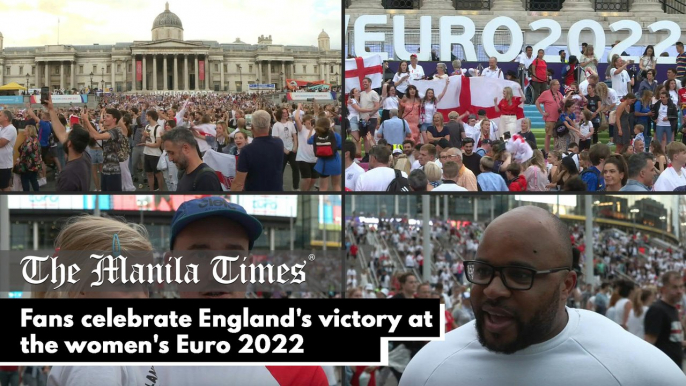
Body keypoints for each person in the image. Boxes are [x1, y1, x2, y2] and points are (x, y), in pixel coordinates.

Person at [399, 206, 686, 386]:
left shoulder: (642, 372)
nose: (493, 290)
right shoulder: (427, 370)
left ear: (566, 285)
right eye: (484, 270)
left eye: (520, 275)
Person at [232, 110, 284, 191]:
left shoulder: (247, 151)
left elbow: (238, 183)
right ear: (269, 126)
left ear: (252, 128)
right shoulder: (279, 143)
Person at [644, 271, 685, 369]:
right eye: (675, 287)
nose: (679, 291)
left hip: (675, 368)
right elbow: (648, 344)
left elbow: (670, 340)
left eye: (681, 287)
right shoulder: (657, 310)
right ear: (663, 289)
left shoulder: (673, 309)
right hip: (663, 370)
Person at [161, 128, 221, 192]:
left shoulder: (206, 179)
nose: (170, 159)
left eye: (172, 153)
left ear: (185, 148)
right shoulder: (184, 172)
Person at [81, 108, 125, 191]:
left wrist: (87, 120)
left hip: (113, 171)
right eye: (104, 116)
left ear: (114, 119)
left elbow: (97, 136)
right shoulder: (108, 131)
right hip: (105, 170)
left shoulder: (116, 131)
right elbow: (91, 135)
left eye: (107, 116)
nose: (104, 118)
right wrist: (84, 121)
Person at [307, 117, 342, 191]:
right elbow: (341, 146)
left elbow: (308, 141)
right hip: (335, 162)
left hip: (323, 164)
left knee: (323, 188)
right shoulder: (335, 135)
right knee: (336, 185)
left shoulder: (316, 136)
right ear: (329, 125)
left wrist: (311, 130)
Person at [272, 106, 299, 191]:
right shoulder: (276, 125)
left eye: (286, 112)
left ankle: (295, 187)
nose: (285, 114)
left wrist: (295, 146)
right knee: (280, 170)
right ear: (280, 114)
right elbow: (276, 139)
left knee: (296, 168)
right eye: (283, 113)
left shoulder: (290, 124)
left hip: (292, 149)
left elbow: (294, 136)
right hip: (282, 151)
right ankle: (279, 187)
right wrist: (284, 149)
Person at [293, 104, 318, 191]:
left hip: (314, 158)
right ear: (304, 121)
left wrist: (314, 103)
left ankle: (306, 191)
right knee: (307, 178)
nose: (310, 122)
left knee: (313, 179)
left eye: (312, 120)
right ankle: (303, 193)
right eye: (308, 120)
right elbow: (296, 118)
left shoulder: (316, 129)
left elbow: (317, 113)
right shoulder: (301, 129)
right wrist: (299, 106)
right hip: (302, 158)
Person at [536, 80, 566, 153]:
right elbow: (537, 102)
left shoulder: (559, 94)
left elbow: (563, 103)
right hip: (550, 118)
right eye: (557, 84)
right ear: (552, 85)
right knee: (548, 135)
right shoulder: (546, 93)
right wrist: (542, 112)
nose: (559, 86)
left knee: (557, 135)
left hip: (558, 118)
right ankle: (546, 152)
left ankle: (556, 151)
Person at [139, 110, 165, 191]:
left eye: (147, 116)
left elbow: (157, 144)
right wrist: (144, 136)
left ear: (150, 116)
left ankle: (161, 191)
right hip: (147, 153)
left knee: (158, 175)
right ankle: (151, 191)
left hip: (155, 155)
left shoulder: (158, 128)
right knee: (149, 174)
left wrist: (146, 144)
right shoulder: (147, 127)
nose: (146, 117)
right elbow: (143, 140)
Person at [359, 77, 381, 162]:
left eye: (366, 82)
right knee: (364, 137)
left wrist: (370, 115)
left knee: (370, 136)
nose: (364, 83)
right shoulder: (362, 94)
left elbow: (377, 106)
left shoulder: (374, 93)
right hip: (362, 118)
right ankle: (367, 154)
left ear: (370, 83)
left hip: (371, 118)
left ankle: (375, 154)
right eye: (363, 82)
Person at [0, 109, 17, 191]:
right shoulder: (2, 128)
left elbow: (1, 143)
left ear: (6, 118)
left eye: (0, 115)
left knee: (5, 187)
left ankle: (6, 202)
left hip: (4, 164)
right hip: (1, 163)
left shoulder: (10, 129)